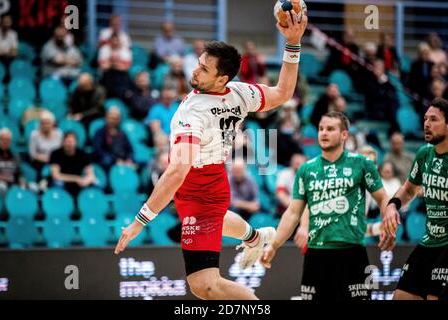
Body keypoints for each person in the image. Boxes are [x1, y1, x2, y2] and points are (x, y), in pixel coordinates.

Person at [114, 11, 308, 300]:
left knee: (204, 285)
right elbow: (281, 93)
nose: (195, 71)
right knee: (214, 219)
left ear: (222, 79)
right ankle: (256, 237)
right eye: (199, 64)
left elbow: (177, 172)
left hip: (201, 186)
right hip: (209, 179)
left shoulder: (194, 114)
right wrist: (292, 44)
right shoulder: (240, 93)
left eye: (204, 69)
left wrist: (139, 222)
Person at [261, 111, 397, 301]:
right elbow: (292, 213)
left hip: (352, 253)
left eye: (330, 129)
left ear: (344, 135)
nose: (323, 133)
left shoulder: (362, 164)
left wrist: (388, 225)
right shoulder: (306, 169)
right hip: (316, 255)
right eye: (321, 129)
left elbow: (383, 198)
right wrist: (274, 245)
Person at [386, 98, 448, 300]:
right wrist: (392, 206)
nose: (426, 124)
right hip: (429, 241)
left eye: (434, 119)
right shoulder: (424, 154)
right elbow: (409, 189)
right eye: (425, 119)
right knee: (401, 296)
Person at [50, 132, 95, 197]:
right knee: (58, 183)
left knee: (94, 184)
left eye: (71, 142)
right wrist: (76, 179)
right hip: (63, 181)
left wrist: (86, 180)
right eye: (67, 141)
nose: (69, 144)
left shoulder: (83, 155)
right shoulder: (56, 154)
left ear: (76, 142)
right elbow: (56, 175)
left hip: (78, 182)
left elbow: (91, 175)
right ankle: (60, 205)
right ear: (63, 142)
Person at [29, 111, 63, 177]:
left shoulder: (59, 133)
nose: (45, 126)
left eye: (47, 123)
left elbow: (61, 151)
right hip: (40, 163)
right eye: (42, 123)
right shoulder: (34, 134)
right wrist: (50, 160)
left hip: (56, 162)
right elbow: (33, 154)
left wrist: (54, 161)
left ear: (53, 123)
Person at [0, 128, 21, 195]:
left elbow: (19, 173)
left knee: (30, 187)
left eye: (8, 140)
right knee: (2, 187)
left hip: (12, 182)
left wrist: (22, 180)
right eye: (3, 139)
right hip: (0, 183)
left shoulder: (14, 155)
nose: (5, 142)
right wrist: (5, 178)